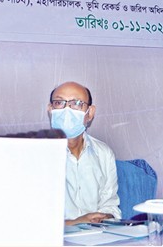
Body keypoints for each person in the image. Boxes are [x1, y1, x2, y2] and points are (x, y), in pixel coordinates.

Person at [49, 81, 121, 225]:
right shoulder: (37, 155)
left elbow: (111, 205)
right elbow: (30, 219)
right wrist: (77, 222)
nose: (67, 110)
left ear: (90, 113)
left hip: (97, 236)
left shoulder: (104, 153)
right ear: (50, 110)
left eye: (76, 103)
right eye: (59, 103)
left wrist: (105, 216)